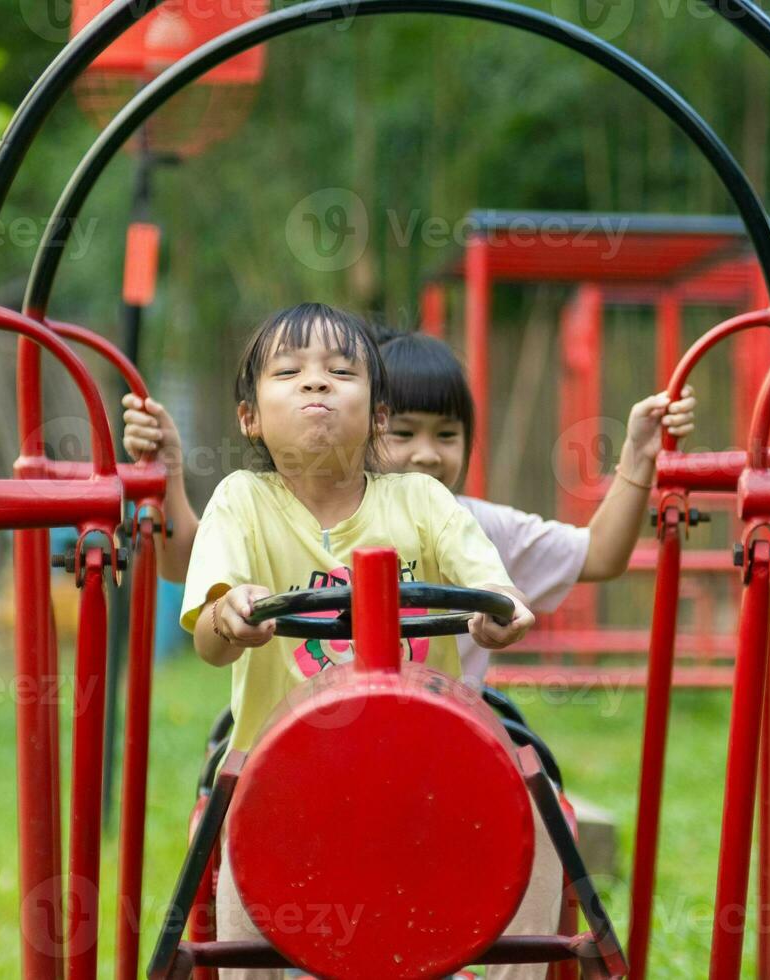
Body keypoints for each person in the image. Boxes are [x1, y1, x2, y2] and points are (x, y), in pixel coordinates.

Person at [137, 302, 541, 980]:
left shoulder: (421, 501)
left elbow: (491, 590)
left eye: (341, 371)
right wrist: (230, 614)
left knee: (530, 839)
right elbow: (211, 638)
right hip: (283, 779)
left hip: (425, 776)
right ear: (250, 418)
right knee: (244, 900)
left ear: (378, 416)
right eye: (290, 371)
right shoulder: (242, 502)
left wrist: (502, 612)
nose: (316, 382)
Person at [376, 331, 696, 687]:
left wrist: (638, 455)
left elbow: (601, 554)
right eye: (403, 433)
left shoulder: (479, 527)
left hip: (449, 732)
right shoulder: (324, 523)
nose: (427, 454)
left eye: (447, 435)